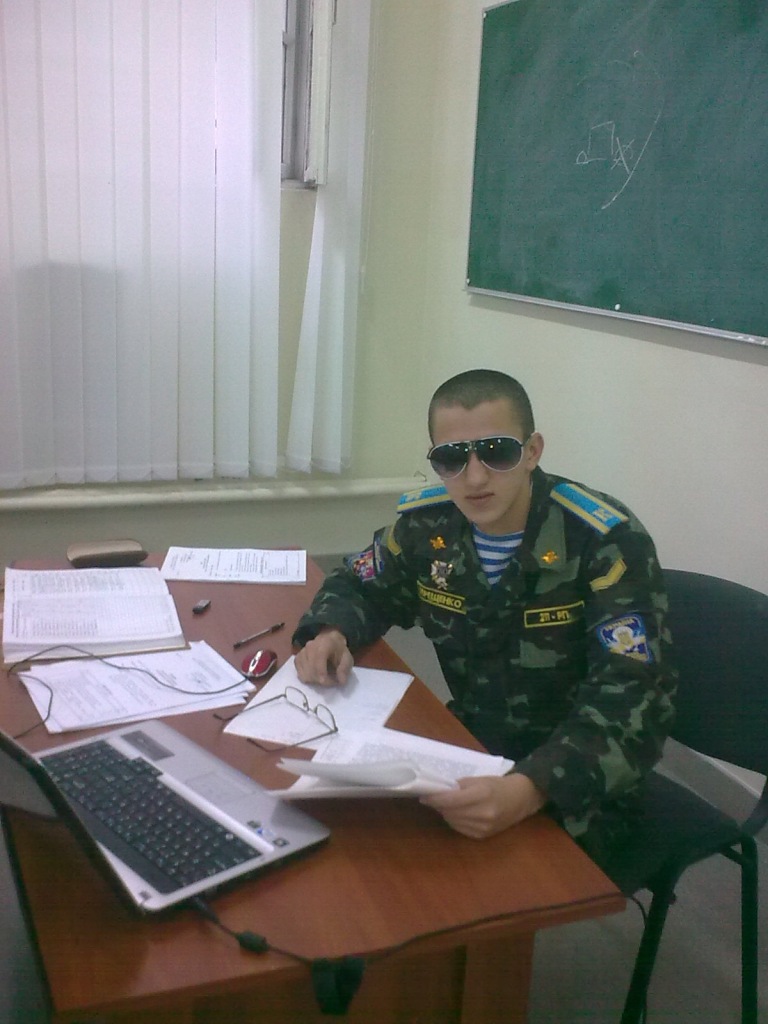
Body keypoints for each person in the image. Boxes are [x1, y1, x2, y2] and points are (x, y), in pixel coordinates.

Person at [292, 369, 676, 868]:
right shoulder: (427, 526)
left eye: (497, 452)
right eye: (452, 458)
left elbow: (636, 698)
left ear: (532, 451)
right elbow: (360, 582)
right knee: (356, 845)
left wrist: (529, 789)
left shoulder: (603, 541)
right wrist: (332, 632)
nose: (474, 478)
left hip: (579, 783)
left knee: (452, 880)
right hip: (470, 748)